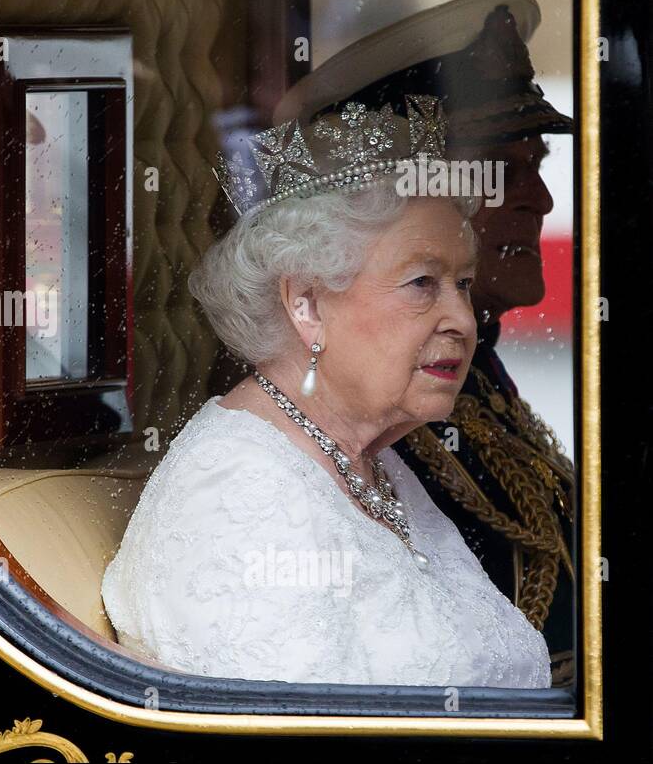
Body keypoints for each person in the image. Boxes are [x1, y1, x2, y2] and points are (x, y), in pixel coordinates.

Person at [100, 91, 551, 687]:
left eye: (462, 283)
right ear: (306, 303)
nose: (463, 320)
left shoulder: (373, 463)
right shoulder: (238, 497)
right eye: (422, 283)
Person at [273, 0, 576, 687]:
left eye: (537, 163)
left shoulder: (477, 368)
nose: (542, 198)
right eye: (504, 170)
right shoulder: (370, 400)